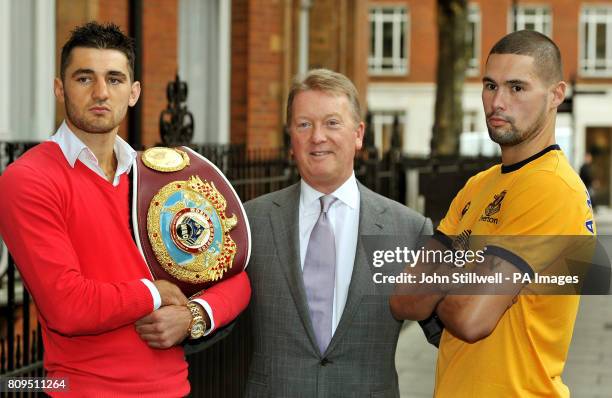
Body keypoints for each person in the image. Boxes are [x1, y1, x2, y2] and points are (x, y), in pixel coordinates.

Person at [0, 22, 250, 397]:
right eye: (85, 78)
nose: (101, 92)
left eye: (114, 80)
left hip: (174, 390)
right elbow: (66, 306)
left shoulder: (162, 177)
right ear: (59, 88)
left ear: (133, 93)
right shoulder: (29, 178)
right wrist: (153, 293)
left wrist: (194, 316)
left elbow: (236, 270)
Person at [390, 30, 596, 397]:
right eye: (490, 85)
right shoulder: (477, 186)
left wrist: (447, 271)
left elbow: (471, 320)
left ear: (556, 95)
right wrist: (471, 275)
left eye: (517, 88)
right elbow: (404, 297)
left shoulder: (552, 188)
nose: (497, 101)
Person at [243, 68, 432, 397]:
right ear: (291, 137)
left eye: (332, 123)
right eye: (304, 124)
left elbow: (449, 329)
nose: (318, 137)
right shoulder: (251, 221)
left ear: (358, 134)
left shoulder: (407, 229)